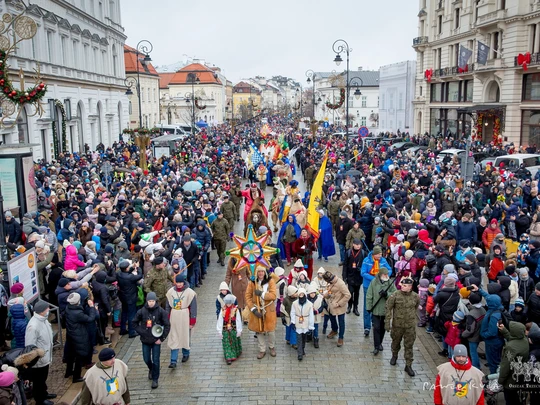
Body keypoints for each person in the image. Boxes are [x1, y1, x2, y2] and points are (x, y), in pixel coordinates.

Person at [133, 291, 170, 389]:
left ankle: (155, 379)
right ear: (147, 301)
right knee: (146, 359)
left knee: (156, 360)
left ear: (155, 301)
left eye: (153, 301)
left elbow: (167, 325)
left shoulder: (161, 311)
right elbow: (134, 323)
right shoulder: (141, 311)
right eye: (149, 301)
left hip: (156, 340)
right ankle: (151, 369)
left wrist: (162, 338)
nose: (151, 303)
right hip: (145, 340)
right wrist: (142, 331)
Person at [385, 276, 420, 377]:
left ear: (410, 287)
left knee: (409, 346)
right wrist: (387, 322)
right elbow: (388, 308)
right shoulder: (395, 295)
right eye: (402, 285)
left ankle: (408, 365)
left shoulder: (415, 296)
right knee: (395, 342)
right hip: (397, 325)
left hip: (410, 326)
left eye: (405, 286)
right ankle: (394, 355)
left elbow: (416, 306)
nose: (403, 287)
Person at [24, 300, 56, 405]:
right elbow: (30, 345)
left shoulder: (44, 320)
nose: (48, 310)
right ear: (42, 311)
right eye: (47, 309)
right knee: (39, 381)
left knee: (43, 378)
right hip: (39, 360)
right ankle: (40, 400)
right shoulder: (33, 326)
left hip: (45, 356)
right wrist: (37, 356)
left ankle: (44, 393)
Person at [245, 266, 277, 359]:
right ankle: (262, 349)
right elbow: (248, 297)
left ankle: (272, 347)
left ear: (265, 272)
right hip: (257, 308)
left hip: (268, 309)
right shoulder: (252, 283)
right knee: (259, 331)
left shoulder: (270, 281)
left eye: (262, 272)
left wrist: (262, 294)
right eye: (259, 272)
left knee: (271, 330)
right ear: (256, 273)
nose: (260, 274)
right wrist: (253, 309)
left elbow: (273, 295)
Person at [166, 273, 197, 368]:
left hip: (185, 316)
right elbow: (167, 306)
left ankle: (186, 353)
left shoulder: (190, 293)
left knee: (185, 335)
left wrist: (192, 321)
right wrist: (167, 319)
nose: (179, 284)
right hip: (174, 316)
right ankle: (173, 360)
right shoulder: (170, 292)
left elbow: (193, 308)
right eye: (177, 282)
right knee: (174, 336)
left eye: (180, 282)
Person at [361, 245, 392, 337]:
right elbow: (363, 273)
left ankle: (374, 321)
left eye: (381, 254)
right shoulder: (366, 261)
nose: (380, 256)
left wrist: (385, 276)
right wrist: (374, 279)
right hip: (368, 286)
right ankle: (367, 327)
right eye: (378, 254)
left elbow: (389, 269)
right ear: (374, 254)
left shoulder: (383, 261)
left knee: (376, 303)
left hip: (380, 286)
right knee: (367, 305)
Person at [64, 292, 94, 383]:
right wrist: (92, 307)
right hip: (78, 335)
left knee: (71, 355)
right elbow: (90, 319)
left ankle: (68, 372)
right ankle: (76, 376)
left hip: (70, 334)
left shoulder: (68, 308)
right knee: (79, 356)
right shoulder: (78, 313)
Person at [366, 267, 396, 355]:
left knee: (383, 328)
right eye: (384, 274)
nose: (386, 276)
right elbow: (369, 295)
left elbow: (395, 294)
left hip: (385, 310)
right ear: (380, 275)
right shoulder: (373, 282)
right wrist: (368, 307)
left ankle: (380, 343)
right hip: (375, 310)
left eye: (387, 274)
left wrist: (387, 294)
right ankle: (376, 346)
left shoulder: (390, 283)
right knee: (376, 328)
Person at [498, 321, 530, 404]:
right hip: (520, 376)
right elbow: (514, 339)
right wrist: (504, 331)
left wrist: (500, 380)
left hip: (510, 381)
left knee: (510, 400)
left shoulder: (510, 347)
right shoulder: (524, 340)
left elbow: (506, 366)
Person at [322, 271, 351, 347]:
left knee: (341, 322)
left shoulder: (340, 283)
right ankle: (334, 330)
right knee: (332, 319)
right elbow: (330, 291)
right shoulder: (330, 282)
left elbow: (348, 295)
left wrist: (339, 303)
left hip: (339, 306)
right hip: (331, 305)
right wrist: (326, 295)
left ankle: (341, 337)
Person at [116, 260, 143, 338]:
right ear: (126, 268)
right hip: (131, 298)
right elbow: (140, 275)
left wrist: (132, 267)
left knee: (124, 313)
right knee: (131, 315)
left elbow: (126, 271)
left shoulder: (119, 274)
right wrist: (138, 267)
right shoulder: (130, 277)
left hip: (123, 297)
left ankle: (123, 329)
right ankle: (131, 332)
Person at [216, 294, 243, 365]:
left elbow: (238, 320)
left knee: (234, 342)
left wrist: (239, 330)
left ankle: (234, 354)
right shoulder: (223, 310)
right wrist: (219, 331)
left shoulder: (235, 310)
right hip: (225, 330)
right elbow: (220, 320)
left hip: (233, 329)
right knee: (226, 343)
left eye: (230, 303)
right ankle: (228, 357)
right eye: (227, 303)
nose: (228, 304)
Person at [290, 288, 314, 361]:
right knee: (299, 338)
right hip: (298, 322)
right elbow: (293, 313)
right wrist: (293, 322)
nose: (301, 296)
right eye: (300, 294)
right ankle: (299, 353)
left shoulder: (310, 304)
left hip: (306, 322)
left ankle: (302, 348)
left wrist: (310, 326)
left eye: (302, 294)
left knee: (304, 337)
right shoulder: (294, 303)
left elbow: (311, 315)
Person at [343, 238, 364, 316]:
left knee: (357, 293)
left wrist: (361, 269)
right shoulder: (348, 252)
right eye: (357, 244)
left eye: (359, 245)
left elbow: (365, 264)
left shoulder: (362, 253)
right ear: (353, 244)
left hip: (358, 276)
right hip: (350, 275)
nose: (358, 246)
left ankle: (356, 307)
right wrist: (344, 276)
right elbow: (345, 265)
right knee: (350, 292)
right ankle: (349, 306)